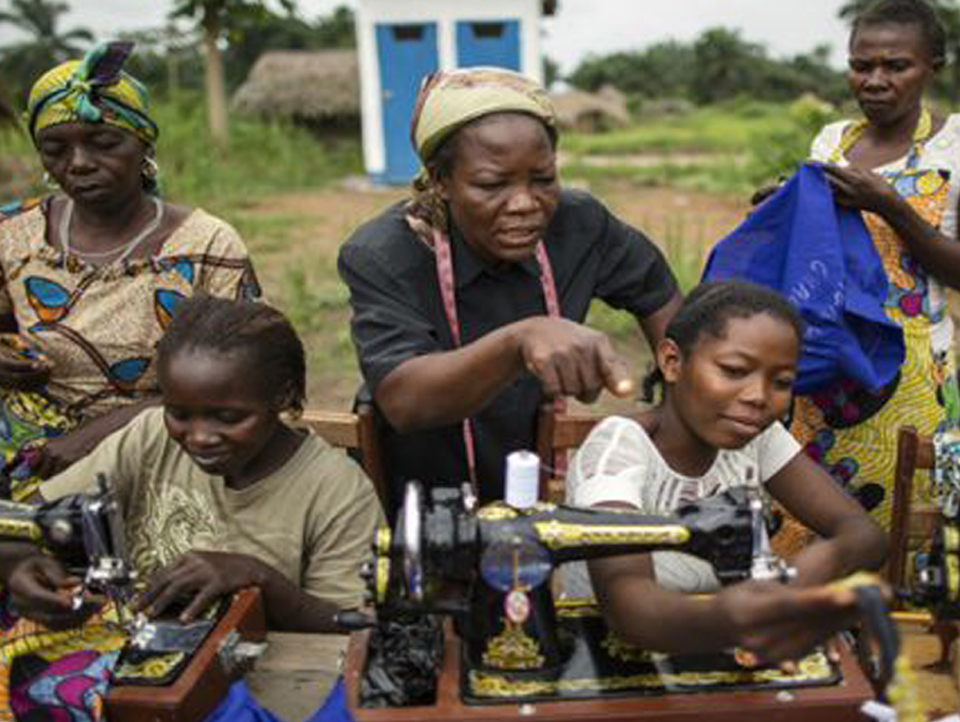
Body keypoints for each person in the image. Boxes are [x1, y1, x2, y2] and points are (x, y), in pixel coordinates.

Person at [0, 295, 383, 719]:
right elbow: (23, 520)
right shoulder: (149, 436)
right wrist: (19, 562)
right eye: (179, 413)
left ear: (283, 396)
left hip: (264, 685)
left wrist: (259, 579)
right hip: (139, 664)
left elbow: (357, 626)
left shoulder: (336, 490)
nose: (199, 437)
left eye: (228, 417)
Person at [339, 67, 682, 514]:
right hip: (420, 488)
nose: (525, 204)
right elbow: (405, 401)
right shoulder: (385, 255)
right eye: (491, 185)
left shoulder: (579, 227)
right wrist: (522, 340)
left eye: (543, 179)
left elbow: (661, 298)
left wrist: (679, 398)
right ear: (441, 181)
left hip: (531, 470)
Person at [567, 281, 886, 662]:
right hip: (614, 657)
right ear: (672, 362)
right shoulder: (618, 448)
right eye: (734, 370)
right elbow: (629, 605)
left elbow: (866, 534)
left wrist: (821, 565)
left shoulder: (757, 438)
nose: (758, 396)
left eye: (782, 382)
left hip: (720, 648)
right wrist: (731, 619)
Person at [0, 41, 261, 500]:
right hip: (24, 450)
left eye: (103, 143)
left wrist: (99, 435)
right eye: (55, 148)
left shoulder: (206, 246)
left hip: (166, 451)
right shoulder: (13, 234)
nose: (78, 163)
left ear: (144, 145)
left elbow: (246, 383)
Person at [791, 0, 960, 528]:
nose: (875, 80)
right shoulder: (832, 142)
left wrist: (887, 203)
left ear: (934, 66)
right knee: (816, 524)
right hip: (828, 368)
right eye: (862, 66)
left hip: (914, 375)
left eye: (896, 66)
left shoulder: (953, 146)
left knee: (909, 528)